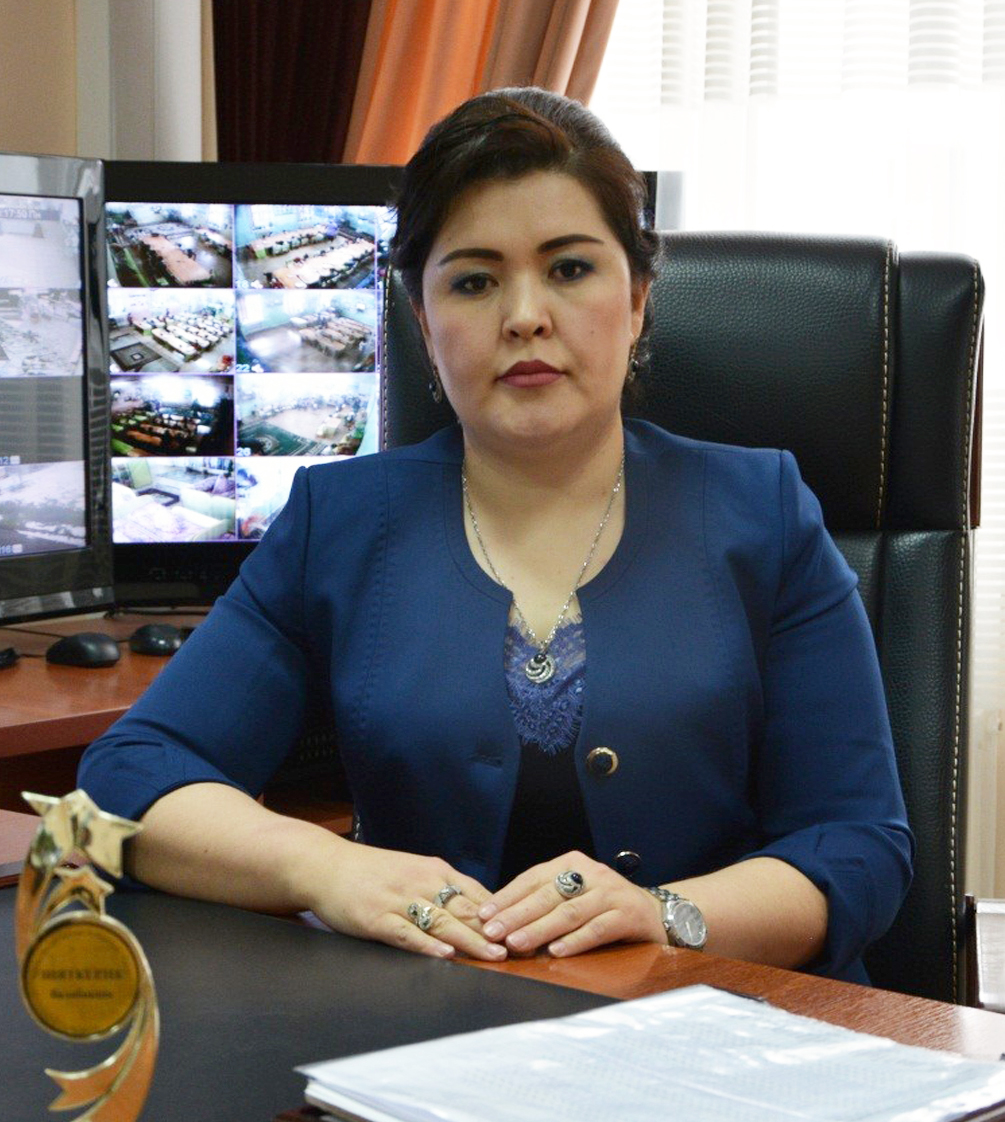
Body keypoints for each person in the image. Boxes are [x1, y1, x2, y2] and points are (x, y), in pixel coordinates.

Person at [79, 87, 912, 983]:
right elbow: (129, 777)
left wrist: (667, 915)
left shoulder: (762, 511)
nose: (523, 315)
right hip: (429, 1027)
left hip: (717, 1023)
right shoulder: (340, 522)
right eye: (474, 281)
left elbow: (856, 844)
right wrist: (323, 867)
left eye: (569, 269)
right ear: (421, 319)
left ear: (637, 299)